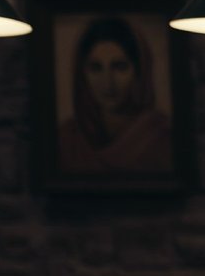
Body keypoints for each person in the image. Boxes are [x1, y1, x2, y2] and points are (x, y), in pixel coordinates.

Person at [57, 17, 171, 174]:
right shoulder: (68, 139)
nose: (108, 83)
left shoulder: (161, 138)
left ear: (139, 71)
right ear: (82, 74)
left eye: (120, 67)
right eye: (96, 68)